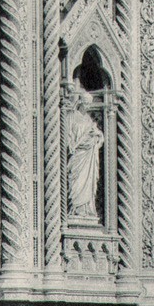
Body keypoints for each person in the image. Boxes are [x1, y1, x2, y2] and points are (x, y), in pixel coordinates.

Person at [65, 85, 104, 221]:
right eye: (86, 104)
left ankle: (86, 209)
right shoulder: (71, 116)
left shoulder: (88, 119)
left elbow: (98, 134)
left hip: (88, 156)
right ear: (80, 102)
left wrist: (97, 137)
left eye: (89, 104)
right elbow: (67, 137)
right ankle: (75, 209)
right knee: (76, 183)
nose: (88, 107)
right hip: (77, 156)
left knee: (88, 183)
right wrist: (75, 144)